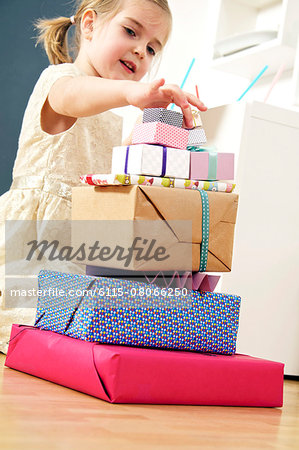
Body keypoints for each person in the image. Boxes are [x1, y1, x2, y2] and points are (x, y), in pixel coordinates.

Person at [0, 0, 207, 353]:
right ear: (90, 25)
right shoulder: (60, 80)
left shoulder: (110, 116)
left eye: (153, 48)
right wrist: (132, 94)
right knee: (31, 328)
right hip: (34, 246)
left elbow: (109, 174)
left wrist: (154, 133)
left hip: (78, 250)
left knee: (83, 334)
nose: (141, 51)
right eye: (131, 31)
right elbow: (72, 99)